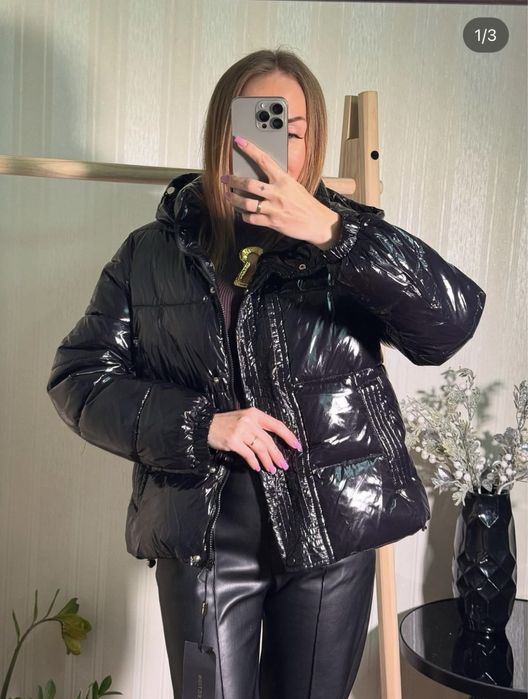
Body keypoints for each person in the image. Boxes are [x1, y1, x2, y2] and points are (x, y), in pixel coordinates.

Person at [46, 48, 486, 699]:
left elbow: (450, 323)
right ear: (220, 134)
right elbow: (79, 378)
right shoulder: (151, 252)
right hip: (203, 541)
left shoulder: (346, 239)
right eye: (251, 124)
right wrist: (201, 424)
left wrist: (334, 233)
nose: (269, 146)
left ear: (313, 144)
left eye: (289, 129)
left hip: (332, 530)